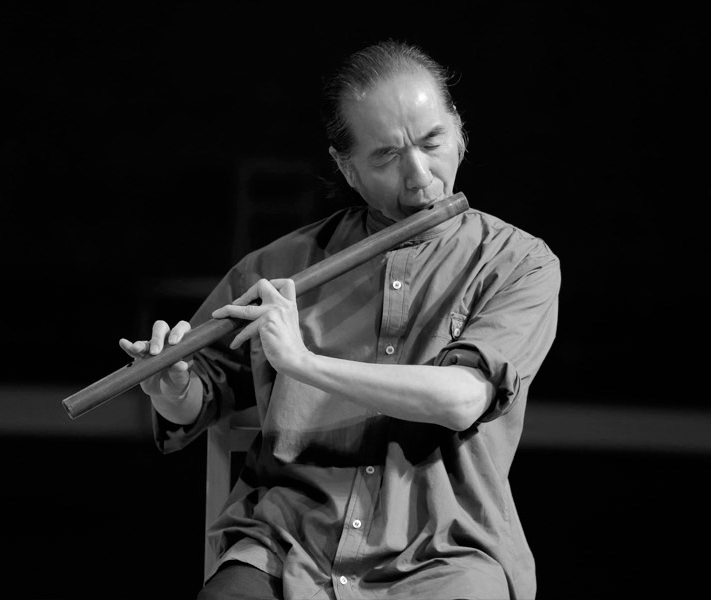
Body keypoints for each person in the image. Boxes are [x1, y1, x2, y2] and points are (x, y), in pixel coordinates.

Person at [120, 40, 560, 600]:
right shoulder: (276, 267)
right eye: (386, 157)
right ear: (344, 166)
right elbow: (197, 399)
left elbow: (461, 400)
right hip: (286, 541)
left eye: (433, 143)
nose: (420, 177)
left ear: (460, 131)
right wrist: (172, 385)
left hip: (443, 551)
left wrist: (302, 363)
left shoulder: (519, 262)